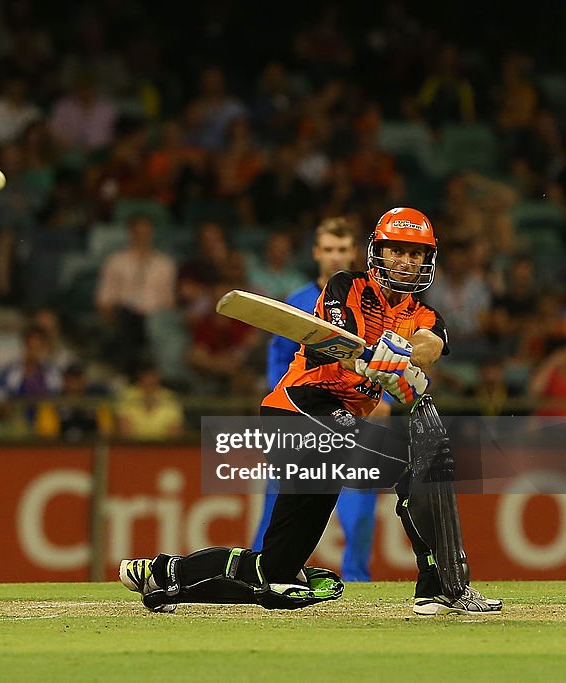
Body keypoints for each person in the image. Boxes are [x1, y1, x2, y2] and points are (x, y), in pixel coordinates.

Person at [120, 207, 503, 616]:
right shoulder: (346, 285)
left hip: (338, 424)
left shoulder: (424, 314)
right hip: (301, 409)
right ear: (379, 252)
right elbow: (334, 339)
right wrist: (369, 360)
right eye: (398, 251)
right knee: (417, 464)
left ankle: (163, 576)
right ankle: (440, 587)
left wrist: (404, 355)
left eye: (416, 254)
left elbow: (431, 344)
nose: (406, 261)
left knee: (276, 569)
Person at [256, 217, 382, 583]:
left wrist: (383, 397)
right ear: (315, 253)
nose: (335, 257)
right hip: (300, 416)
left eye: (342, 250)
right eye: (328, 249)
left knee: (357, 515)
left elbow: (388, 356)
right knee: (275, 510)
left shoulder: (372, 301)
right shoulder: (298, 301)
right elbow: (279, 360)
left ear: (355, 252)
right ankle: (263, 575)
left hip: (351, 422)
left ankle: (357, 582)